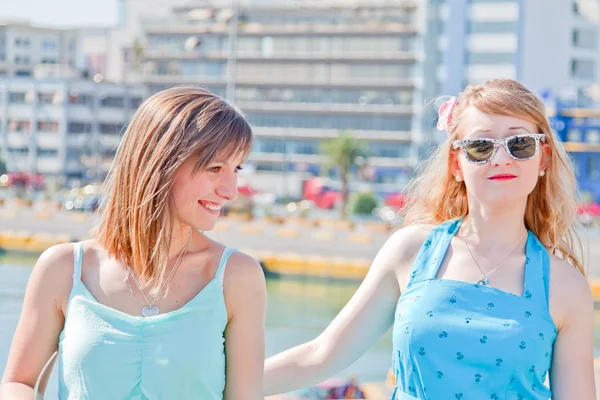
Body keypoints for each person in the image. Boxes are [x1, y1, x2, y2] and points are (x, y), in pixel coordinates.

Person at [263, 79, 596, 399]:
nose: (501, 158)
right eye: (480, 146)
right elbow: (320, 355)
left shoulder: (566, 286)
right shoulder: (410, 250)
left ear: (544, 158)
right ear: (456, 162)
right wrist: (218, 384)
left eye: (519, 144)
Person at [1, 87, 267, 400]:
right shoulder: (62, 269)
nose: (231, 191)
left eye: (236, 169)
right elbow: (20, 382)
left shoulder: (237, 278)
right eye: (215, 168)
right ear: (160, 163)